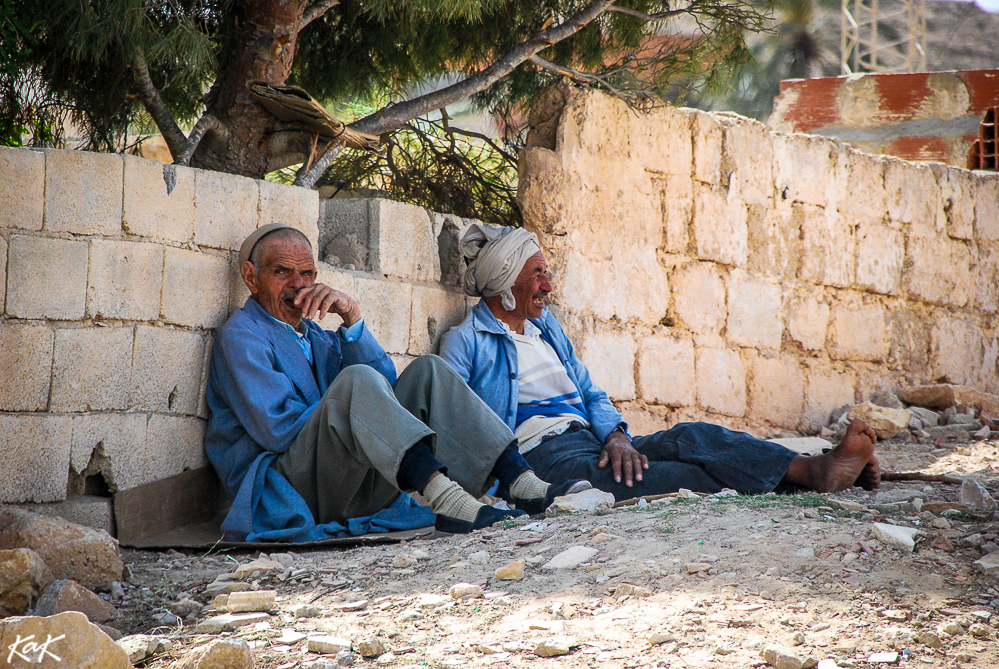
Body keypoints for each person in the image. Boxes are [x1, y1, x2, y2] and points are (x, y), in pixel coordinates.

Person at [439, 224, 881, 502]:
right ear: (504, 285)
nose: (548, 286)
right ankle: (816, 474)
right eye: (537, 274)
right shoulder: (465, 342)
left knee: (695, 436)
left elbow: (590, 394)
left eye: (546, 274)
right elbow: (457, 425)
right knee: (679, 477)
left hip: (592, 444)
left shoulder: (546, 329)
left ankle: (819, 470)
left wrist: (615, 437)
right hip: (543, 461)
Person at [205, 223, 590, 542]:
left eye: (307, 274)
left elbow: (386, 387)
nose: (297, 285)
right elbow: (277, 431)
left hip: (348, 480)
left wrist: (352, 319)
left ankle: (521, 482)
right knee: (356, 380)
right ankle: (447, 499)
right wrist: (351, 409)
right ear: (251, 278)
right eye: (282, 272)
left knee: (428, 371)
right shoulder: (242, 336)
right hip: (294, 491)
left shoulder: (314, 335)